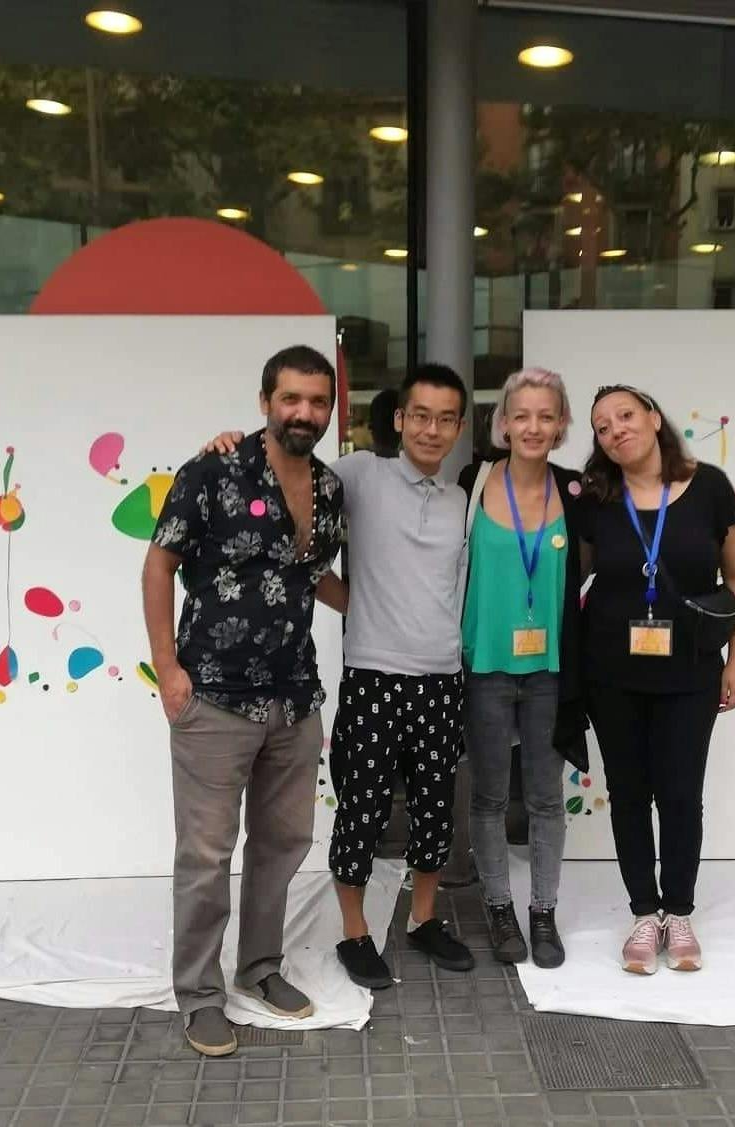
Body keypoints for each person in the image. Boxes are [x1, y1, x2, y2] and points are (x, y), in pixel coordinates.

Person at [203, 365, 478, 990]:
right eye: (420, 416)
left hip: (442, 677)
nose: (431, 430)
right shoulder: (358, 475)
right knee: (363, 808)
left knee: (435, 811)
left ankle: (424, 919)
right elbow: (284, 470)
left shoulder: (461, 499)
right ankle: (355, 933)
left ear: (459, 427)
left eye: (445, 419)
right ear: (400, 419)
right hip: (375, 675)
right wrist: (229, 444)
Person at [142, 344, 346, 1057]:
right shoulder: (212, 471)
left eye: (317, 401)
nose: (304, 412)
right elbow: (159, 563)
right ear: (266, 401)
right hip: (214, 698)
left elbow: (313, 574)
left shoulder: (329, 488)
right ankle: (199, 994)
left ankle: (259, 968)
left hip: (295, 699)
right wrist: (167, 668)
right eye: (291, 398)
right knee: (205, 855)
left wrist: (390, 607)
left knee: (282, 844)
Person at [576, 385, 735, 975]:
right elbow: (575, 580)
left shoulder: (711, 489)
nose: (616, 430)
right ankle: (642, 913)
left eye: (626, 415)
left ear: (653, 418)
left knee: (679, 794)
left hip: (691, 670)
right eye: (602, 426)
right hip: (612, 673)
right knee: (628, 794)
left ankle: (678, 911)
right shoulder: (598, 498)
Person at [456, 367, 585, 968]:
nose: (533, 427)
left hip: (550, 671)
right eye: (522, 415)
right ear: (503, 423)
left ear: (561, 426)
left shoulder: (577, 494)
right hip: (484, 664)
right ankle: (499, 906)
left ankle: (543, 911)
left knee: (544, 798)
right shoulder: (472, 483)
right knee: (487, 797)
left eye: (546, 416)